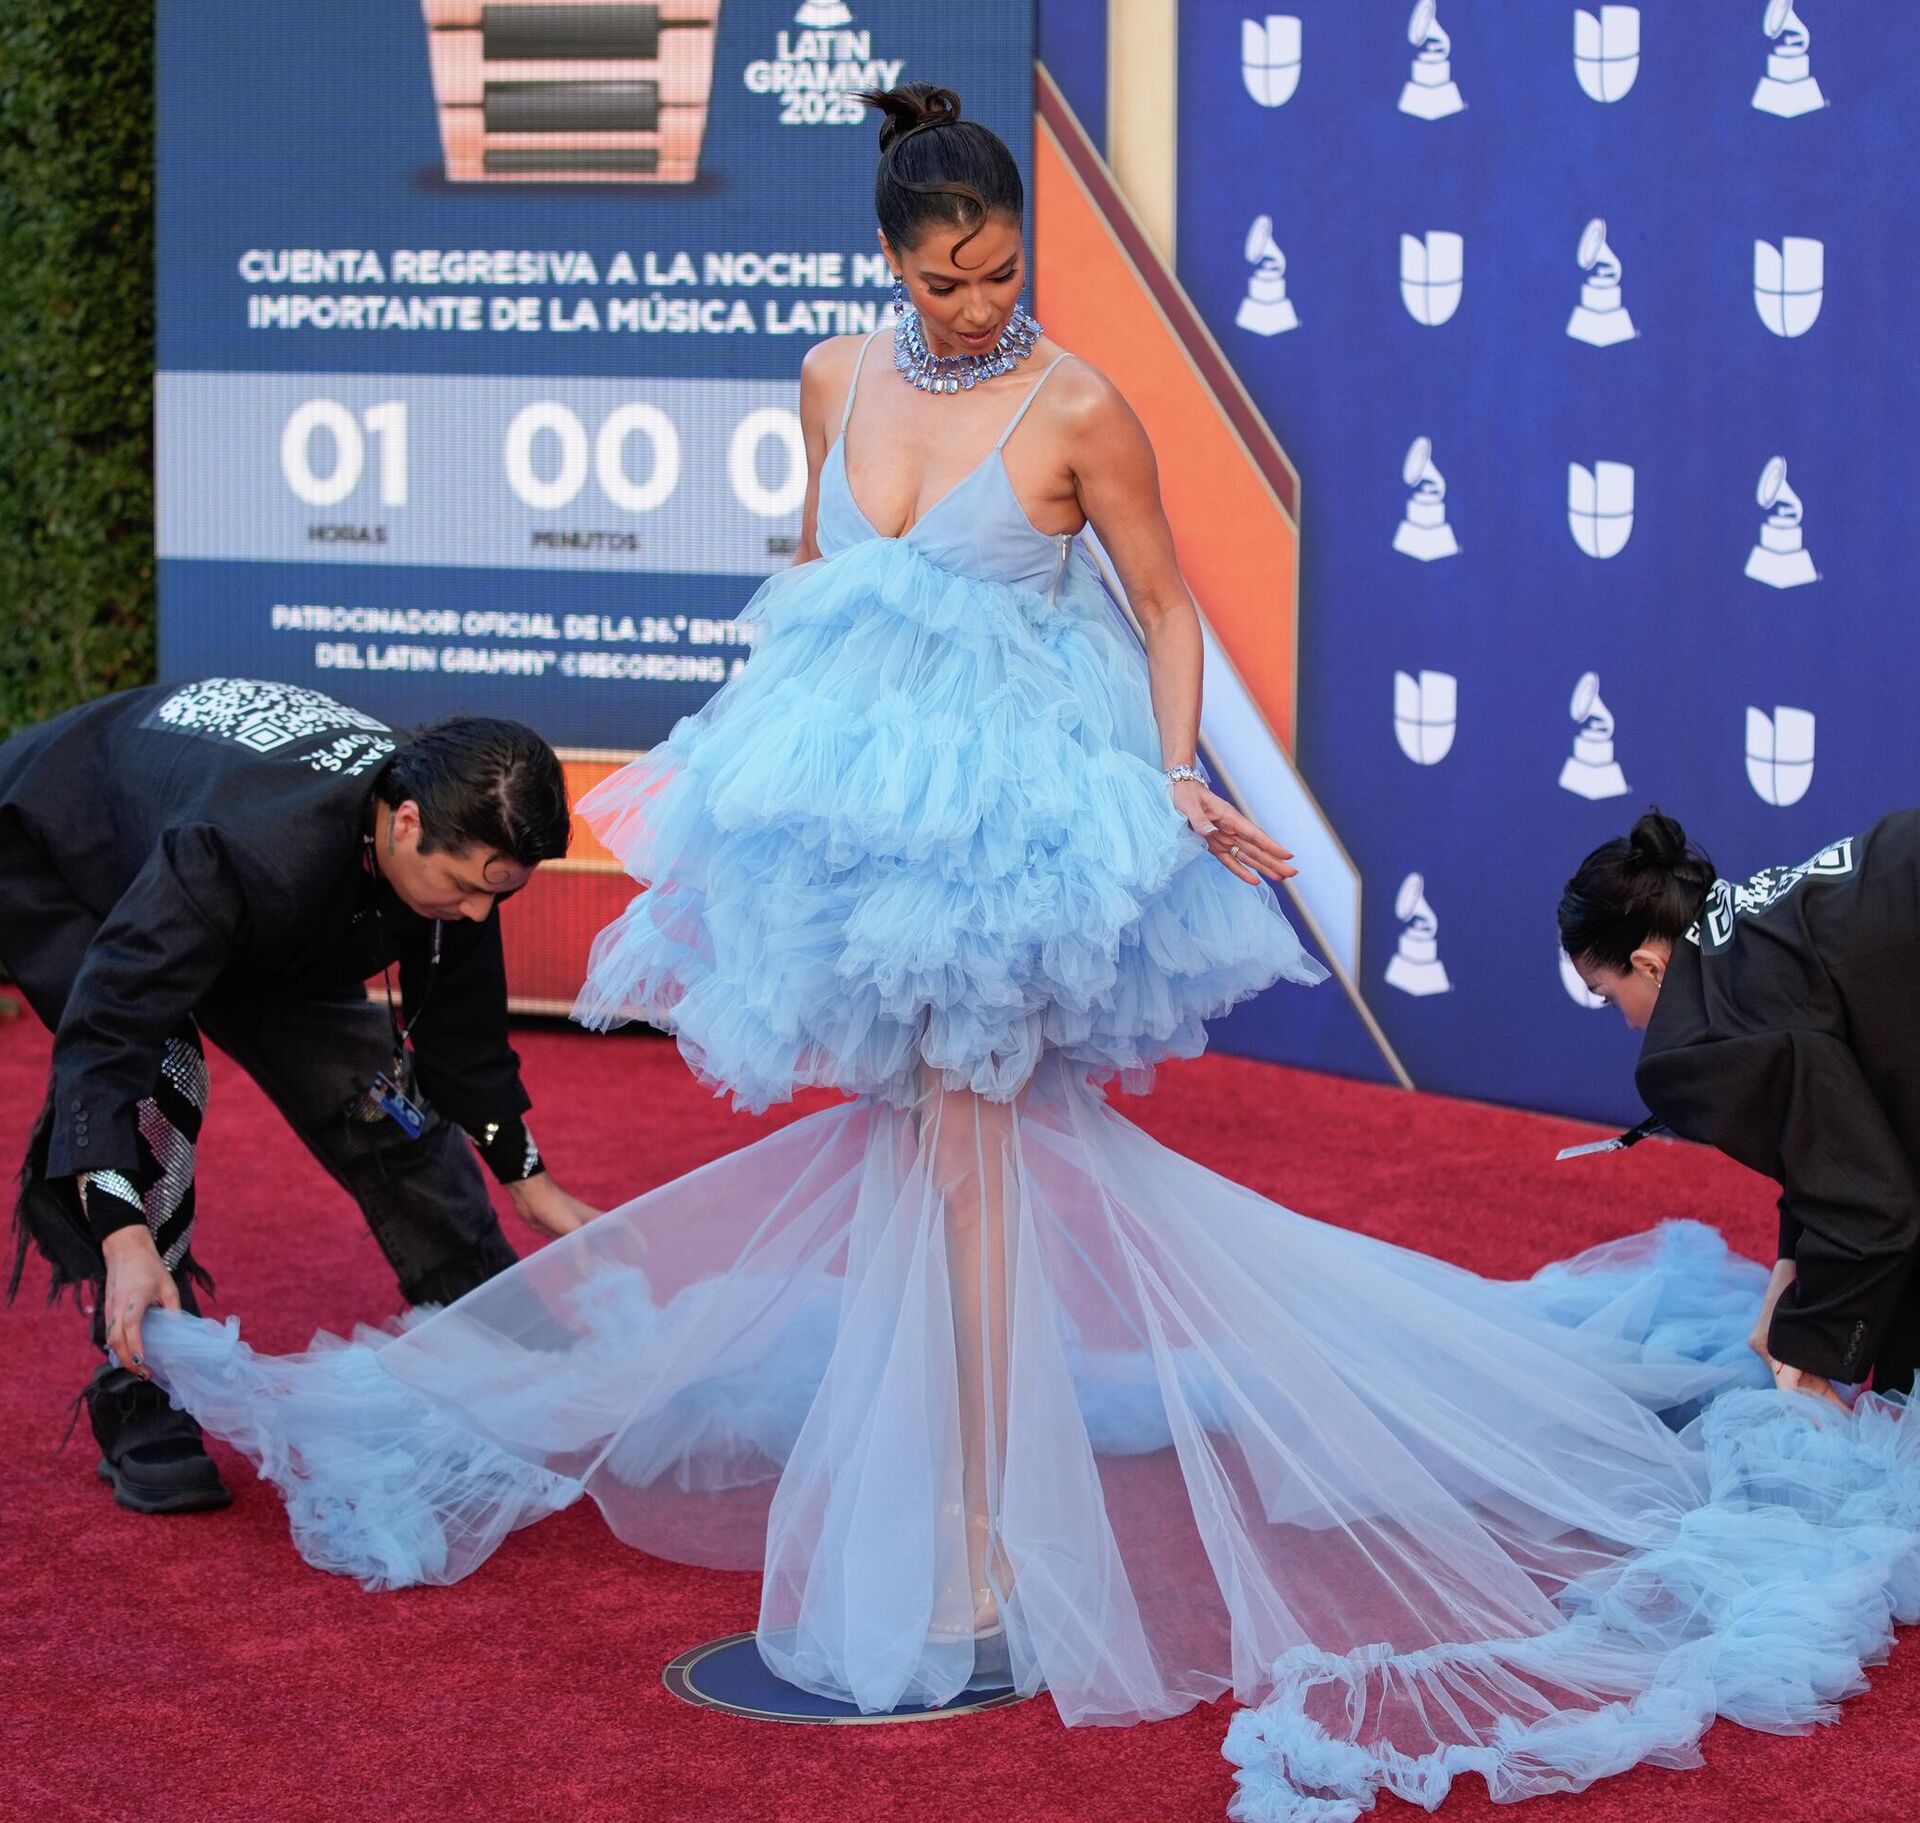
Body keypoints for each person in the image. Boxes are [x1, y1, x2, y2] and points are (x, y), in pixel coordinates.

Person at [138, 91, 1920, 1821]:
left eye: (1000, 271)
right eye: (947, 279)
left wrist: (1176, 776)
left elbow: (1164, 605)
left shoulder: (1080, 406)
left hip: (1009, 844)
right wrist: (774, 779)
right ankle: (955, 1507)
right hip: (862, 825)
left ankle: (982, 1550)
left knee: (972, 1167)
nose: (980, 303)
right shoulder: (833, 377)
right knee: (921, 1152)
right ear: (891, 263)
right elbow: (816, 582)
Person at [0, 677, 598, 1513]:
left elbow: (461, 1038)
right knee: (164, 1072)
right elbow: (107, 1034)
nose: (476, 913)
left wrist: (529, 1180)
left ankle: (482, 1303)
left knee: (371, 1088)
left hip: (246, 887)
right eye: (466, 887)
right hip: (60, 844)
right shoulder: (244, 851)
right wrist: (124, 1232)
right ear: (406, 823)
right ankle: (144, 1382)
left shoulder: (459, 826)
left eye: (499, 892)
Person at [1561, 805, 1920, 1405]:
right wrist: (1789, 1271)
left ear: (1647, 965)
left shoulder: (1694, 1042)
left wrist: (1808, 1349)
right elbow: (1827, 1133)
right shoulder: (1740, 942)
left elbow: (1875, 1207)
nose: (1626, 1023)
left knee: (1903, 1397)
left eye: (1607, 996)